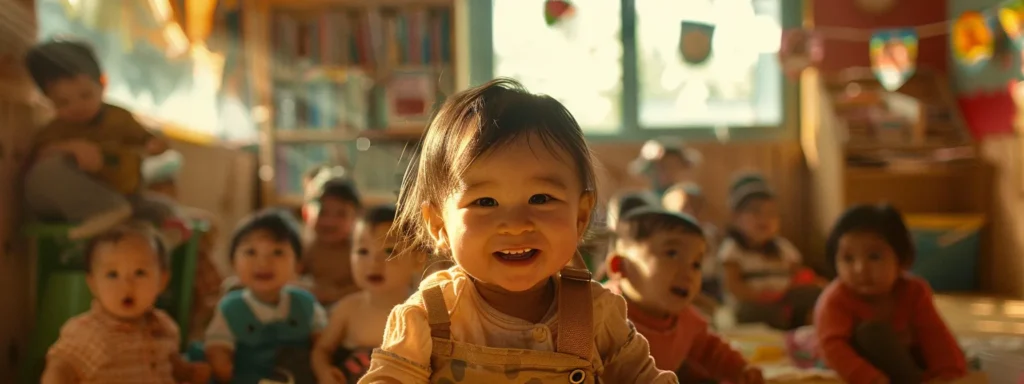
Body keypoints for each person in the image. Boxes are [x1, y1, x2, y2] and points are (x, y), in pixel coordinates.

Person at [359, 78, 676, 383]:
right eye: (485, 201)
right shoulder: (429, 317)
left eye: (541, 198)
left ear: (581, 217)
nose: (516, 224)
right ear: (439, 225)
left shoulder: (596, 313)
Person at [22, 39, 187, 242]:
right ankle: (103, 214)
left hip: (123, 194)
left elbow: (146, 138)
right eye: (63, 102)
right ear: (49, 101)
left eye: (85, 95)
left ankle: (161, 242)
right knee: (48, 171)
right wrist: (70, 149)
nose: (77, 106)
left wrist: (154, 144)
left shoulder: (119, 118)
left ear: (102, 84)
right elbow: (40, 156)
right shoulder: (57, 129)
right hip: (80, 201)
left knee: (163, 207)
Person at [603, 208, 763, 383]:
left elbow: (710, 350)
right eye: (672, 254)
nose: (688, 273)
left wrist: (741, 369)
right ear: (621, 266)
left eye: (696, 264)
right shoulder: (600, 316)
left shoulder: (687, 320)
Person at [815, 204, 967, 384]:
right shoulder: (836, 299)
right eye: (848, 258)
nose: (860, 268)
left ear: (901, 260)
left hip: (907, 362)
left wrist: (948, 373)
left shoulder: (914, 291)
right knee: (872, 332)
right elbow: (833, 347)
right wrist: (871, 378)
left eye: (874, 257)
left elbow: (935, 336)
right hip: (859, 366)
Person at [42, 224, 210, 383]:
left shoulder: (164, 327)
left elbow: (171, 364)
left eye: (140, 273)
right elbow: (60, 367)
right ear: (93, 284)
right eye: (112, 275)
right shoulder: (88, 332)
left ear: (162, 281)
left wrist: (187, 372)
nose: (127, 285)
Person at [204, 210, 328, 383]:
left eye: (277, 253)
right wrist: (222, 365)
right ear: (233, 263)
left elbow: (323, 343)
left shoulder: (305, 303)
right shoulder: (231, 308)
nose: (263, 263)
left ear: (298, 265)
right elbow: (217, 346)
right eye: (251, 252)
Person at [312, 205, 421, 383]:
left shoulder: (420, 311)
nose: (374, 263)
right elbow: (321, 350)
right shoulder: (349, 308)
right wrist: (325, 372)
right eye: (363, 251)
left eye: (389, 251)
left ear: (418, 260)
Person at [719, 173, 822, 330]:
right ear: (736, 218)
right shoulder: (733, 249)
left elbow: (799, 272)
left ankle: (802, 324)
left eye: (771, 214)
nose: (764, 219)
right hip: (754, 303)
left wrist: (810, 283)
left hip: (784, 299)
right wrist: (760, 297)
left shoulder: (783, 247)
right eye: (756, 212)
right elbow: (733, 285)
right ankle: (787, 322)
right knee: (753, 312)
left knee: (813, 295)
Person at [302, 177, 362, 305]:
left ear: (355, 219)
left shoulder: (358, 251)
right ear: (307, 213)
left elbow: (365, 285)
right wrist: (311, 290)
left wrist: (336, 295)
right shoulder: (307, 248)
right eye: (322, 212)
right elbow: (289, 278)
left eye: (341, 214)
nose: (330, 221)